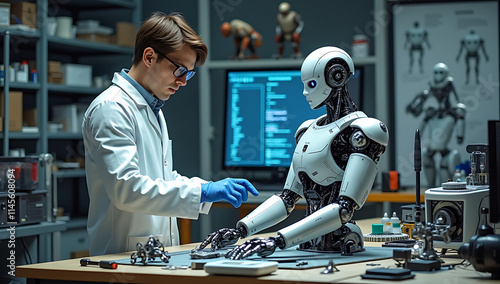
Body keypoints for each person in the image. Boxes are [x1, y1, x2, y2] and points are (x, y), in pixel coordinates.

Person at [82, 11, 258, 256]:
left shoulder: (153, 108)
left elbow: (161, 178)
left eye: (189, 73)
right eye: (179, 70)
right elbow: (127, 188)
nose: (184, 81)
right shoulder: (111, 108)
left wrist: (207, 187)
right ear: (149, 56)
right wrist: (202, 193)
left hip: (152, 255)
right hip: (120, 255)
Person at [198, 47, 388, 259]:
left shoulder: (363, 131)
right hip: (306, 246)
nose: (305, 92)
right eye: (304, 85)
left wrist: (277, 241)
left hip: (341, 244)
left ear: (336, 77)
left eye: (312, 84)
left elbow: (345, 209)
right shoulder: (307, 130)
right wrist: (240, 231)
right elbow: (287, 198)